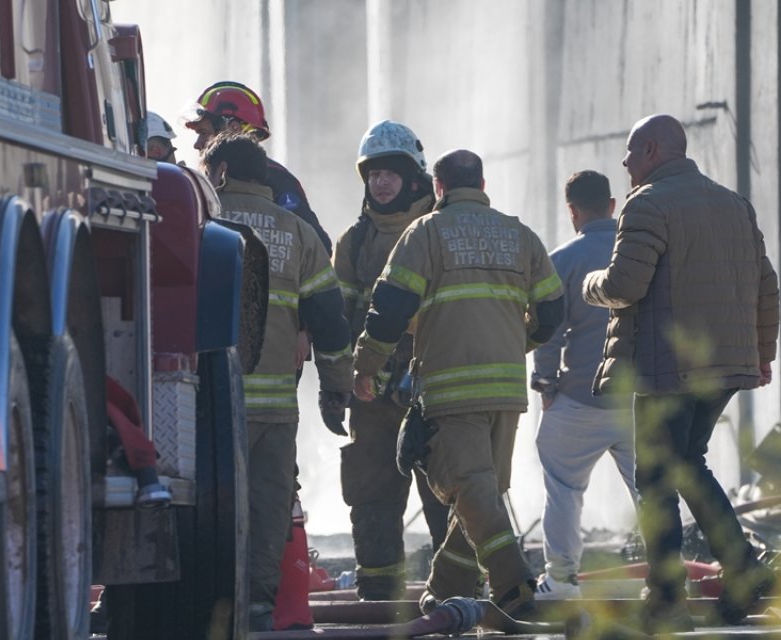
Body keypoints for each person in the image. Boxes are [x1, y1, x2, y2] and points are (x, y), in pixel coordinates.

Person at [582, 114, 780, 634]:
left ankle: (667, 598)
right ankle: (742, 569)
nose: (623, 163)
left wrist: (589, 285)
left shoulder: (647, 203)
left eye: (629, 152)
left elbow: (625, 284)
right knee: (688, 462)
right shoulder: (735, 204)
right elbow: (767, 285)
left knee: (655, 480)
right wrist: (763, 355)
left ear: (651, 150)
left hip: (666, 369)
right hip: (726, 367)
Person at [353, 149, 564, 620]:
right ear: (483, 183)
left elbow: (389, 308)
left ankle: (514, 589)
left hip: (452, 390)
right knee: (482, 495)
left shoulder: (425, 232)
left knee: (472, 494)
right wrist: (512, 340)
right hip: (507, 393)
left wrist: (366, 365)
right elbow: (552, 313)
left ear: (439, 187)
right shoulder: (519, 234)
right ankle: (446, 588)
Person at [200, 131, 354, 632]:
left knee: (206, 506)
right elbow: (330, 321)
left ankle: (210, 606)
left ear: (220, 173)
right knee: (269, 508)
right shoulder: (298, 232)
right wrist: (336, 388)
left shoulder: (201, 222)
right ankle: (259, 610)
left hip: (210, 405)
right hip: (275, 408)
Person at [334, 120, 451, 601]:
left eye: (391, 173)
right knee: (371, 490)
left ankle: (457, 587)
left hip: (434, 389)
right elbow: (337, 320)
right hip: (371, 395)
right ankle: (379, 592)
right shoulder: (354, 242)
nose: (380, 182)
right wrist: (336, 382)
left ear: (415, 178)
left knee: (447, 488)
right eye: (373, 173)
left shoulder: (439, 233)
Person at [530, 170, 637, 601]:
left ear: (572, 210)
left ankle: (561, 580)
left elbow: (548, 331)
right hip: (637, 399)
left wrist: (546, 386)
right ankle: (670, 576)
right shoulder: (643, 254)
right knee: (652, 491)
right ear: (613, 206)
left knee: (563, 487)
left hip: (578, 398)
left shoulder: (562, 259)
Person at [184, 81, 332, 254]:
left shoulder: (276, 178)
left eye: (203, 133)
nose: (197, 144)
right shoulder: (208, 178)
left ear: (233, 129)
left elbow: (318, 247)